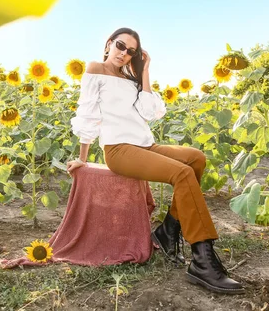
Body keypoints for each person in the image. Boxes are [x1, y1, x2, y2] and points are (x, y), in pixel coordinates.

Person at [66, 27, 244, 295]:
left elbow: (150, 112)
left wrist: (145, 71)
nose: (124, 53)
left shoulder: (130, 78)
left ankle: (168, 231)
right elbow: (88, 113)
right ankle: (202, 261)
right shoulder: (95, 69)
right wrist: (82, 158)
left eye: (131, 51)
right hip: (119, 149)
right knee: (182, 174)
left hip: (146, 145)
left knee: (195, 159)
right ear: (108, 43)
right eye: (120, 45)